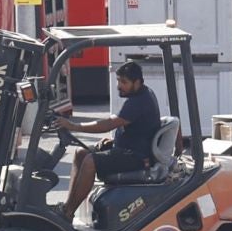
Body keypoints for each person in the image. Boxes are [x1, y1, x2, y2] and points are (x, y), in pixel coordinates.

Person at [53, 61, 162, 221]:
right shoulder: (139, 95)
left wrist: (74, 126)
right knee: (80, 153)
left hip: (136, 157)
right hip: (126, 149)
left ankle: (68, 212)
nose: (119, 86)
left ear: (137, 82)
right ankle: (68, 207)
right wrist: (114, 140)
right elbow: (128, 125)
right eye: (118, 81)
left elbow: (110, 123)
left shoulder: (139, 101)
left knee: (90, 161)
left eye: (123, 82)